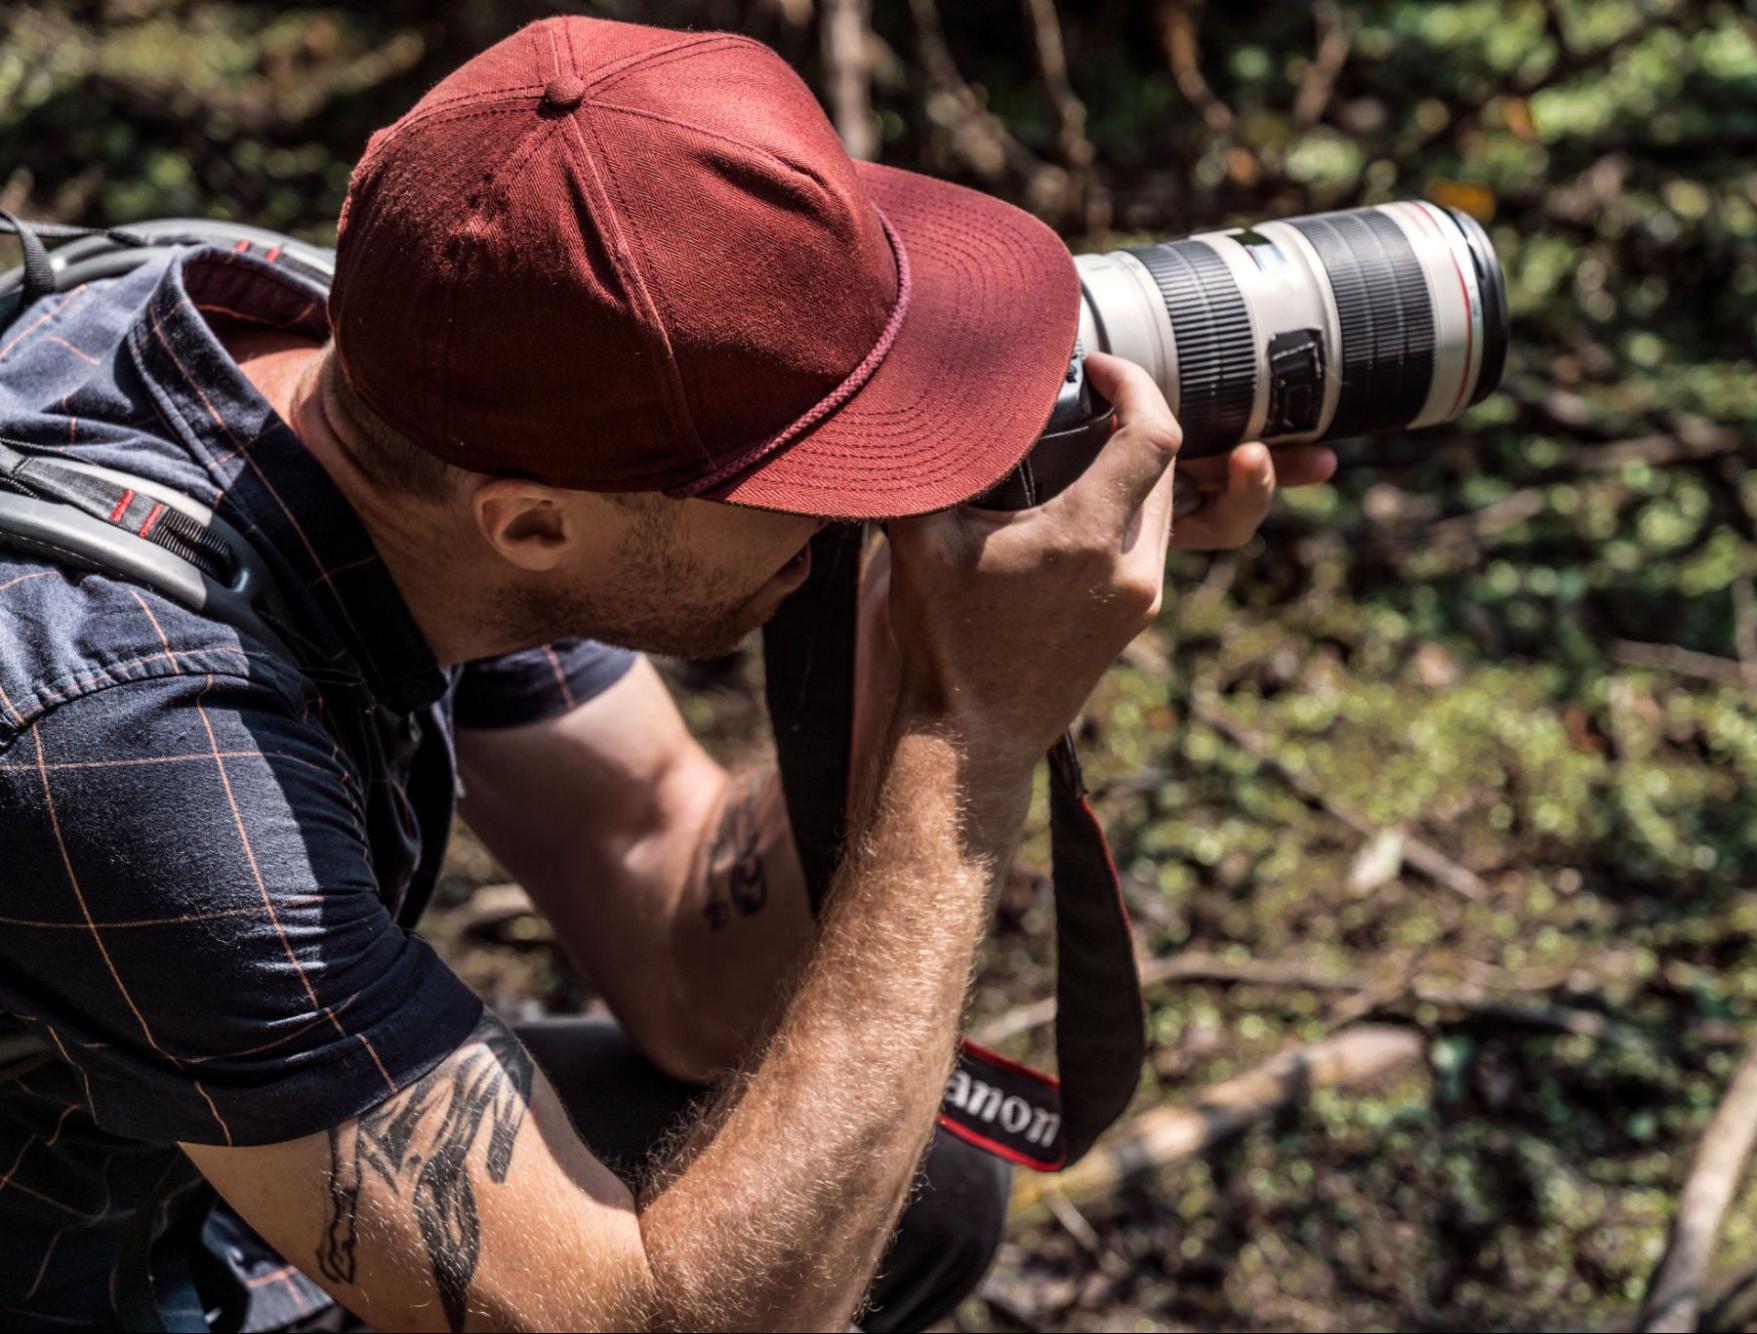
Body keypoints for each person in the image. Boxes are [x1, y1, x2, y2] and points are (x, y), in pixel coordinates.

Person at [0, 16, 1336, 1332]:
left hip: (179, 1172)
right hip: (76, 1264)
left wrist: (915, 615)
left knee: (910, 1192)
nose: (866, 505)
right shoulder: (138, 742)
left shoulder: (406, 376)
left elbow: (685, 946)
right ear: (532, 524)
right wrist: (969, 735)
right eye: (815, 476)